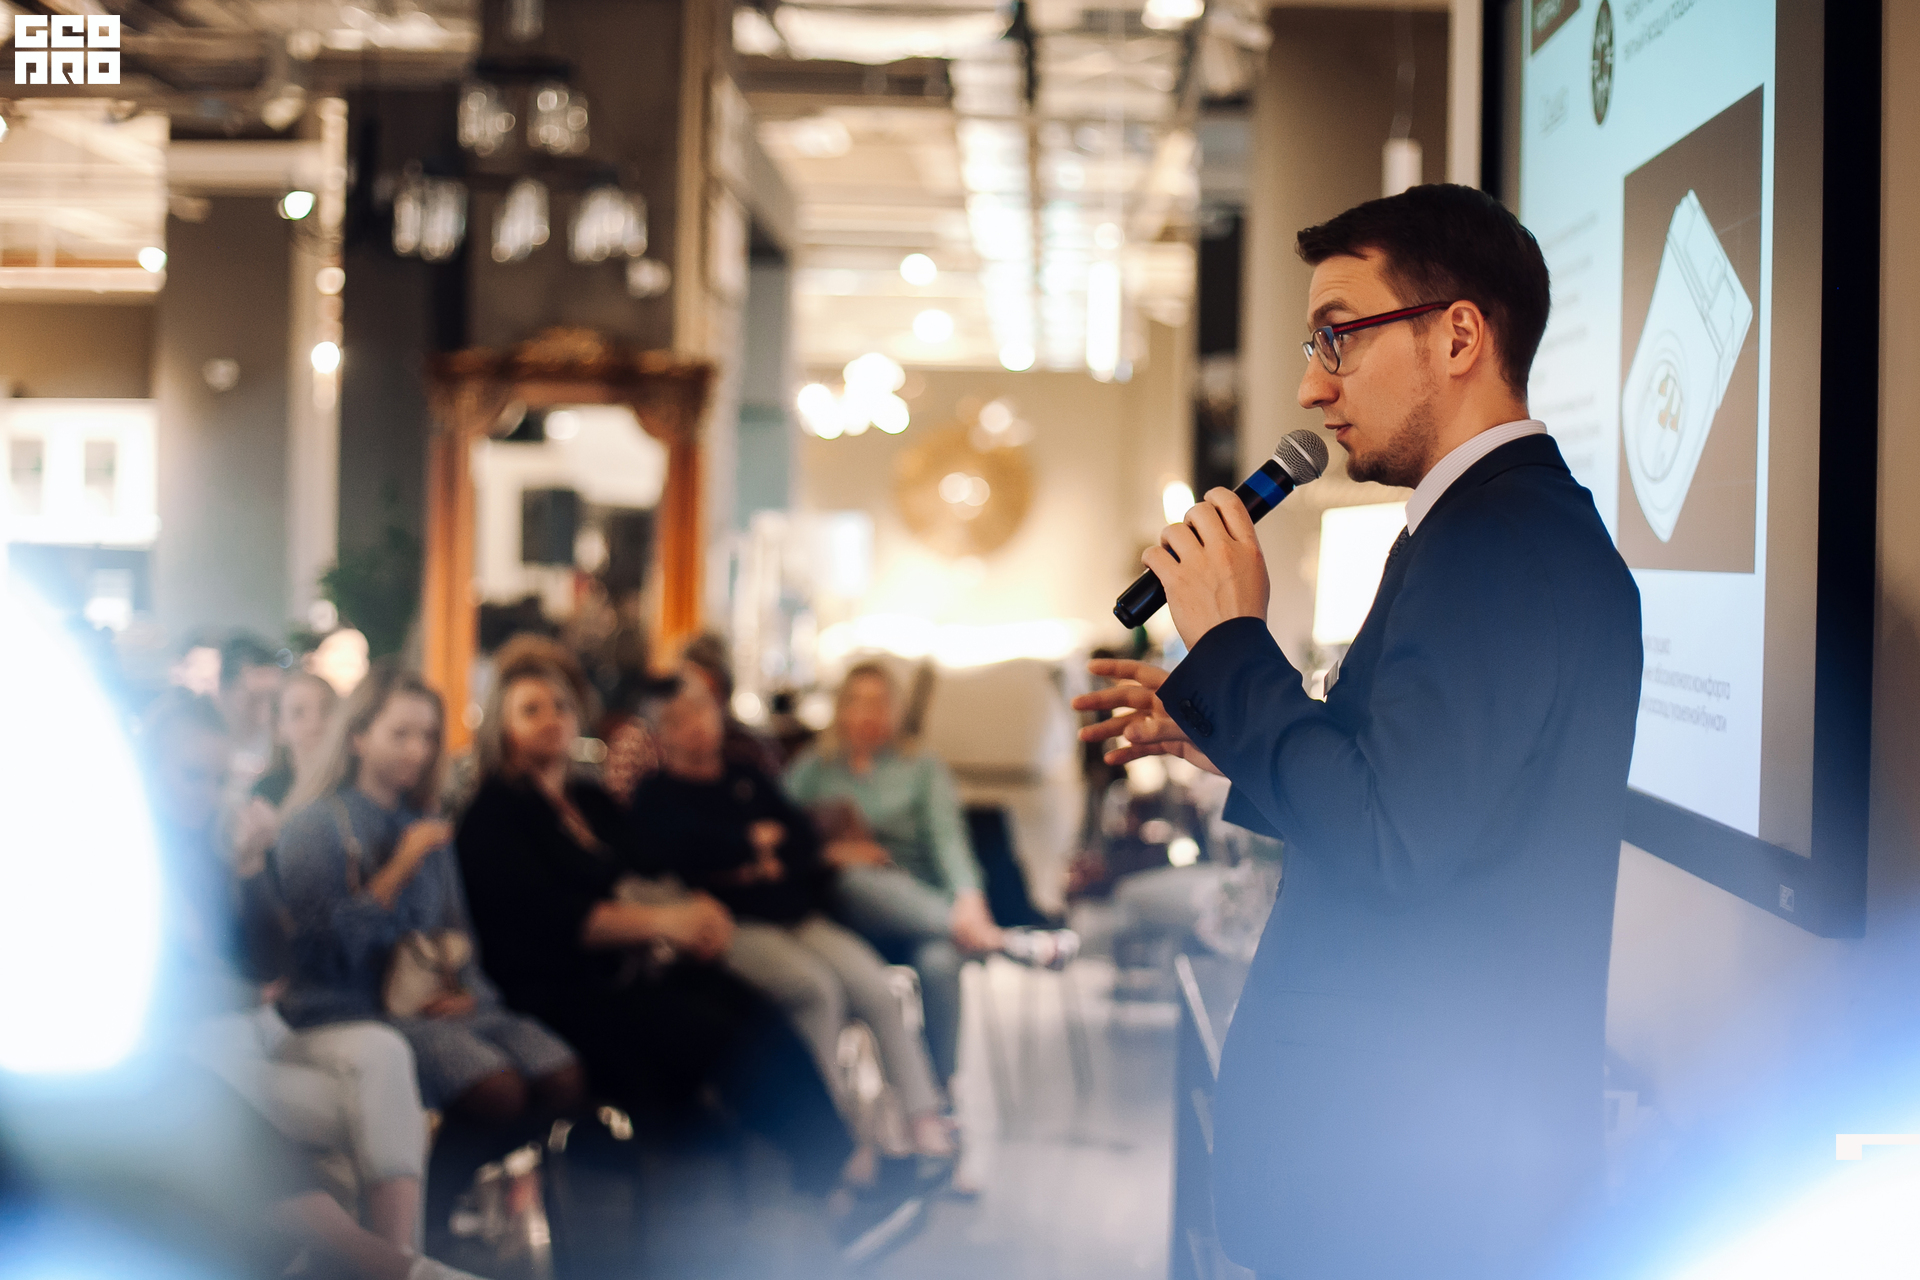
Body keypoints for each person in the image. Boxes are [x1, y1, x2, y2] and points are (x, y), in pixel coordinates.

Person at [1074, 184, 1642, 1280]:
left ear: (1460, 336)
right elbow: (1413, 788)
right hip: (1407, 1166)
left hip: (1412, 1182)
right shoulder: (1483, 529)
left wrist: (1234, 642)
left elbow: (1391, 834)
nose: (1311, 384)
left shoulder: (1498, 543)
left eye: (1339, 335)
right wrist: (1228, 733)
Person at [453, 640, 854, 1196]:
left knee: (755, 1009)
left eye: (560, 706)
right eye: (531, 710)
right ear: (502, 726)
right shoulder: (495, 815)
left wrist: (696, 913)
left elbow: (652, 864)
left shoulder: (589, 801)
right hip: (561, 991)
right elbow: (554, 920)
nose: (551, 720)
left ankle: (833, 1167)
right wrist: (666, 924)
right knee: (708, 1036)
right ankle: (819, 1179)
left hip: (636, 969)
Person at [139, 691, 481, 1280]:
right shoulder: (125, 855)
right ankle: (393, 1267)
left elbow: (273, 963)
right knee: (360, 1116)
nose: (208, 793)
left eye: (220, 779)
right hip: (192, 1050)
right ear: (149, 767)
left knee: (384, 1052)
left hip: (266, 1028)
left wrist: (251, 870)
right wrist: (229, 982)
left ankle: (395, 1256)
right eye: (193, 775)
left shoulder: (220, 839)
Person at [635, 674, 953, 1160]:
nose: (696, 725)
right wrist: (749, 847)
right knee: (814, 991)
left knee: (875, 988)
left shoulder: (746, 776)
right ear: (662, 733)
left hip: (796, 914)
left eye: (701, 710)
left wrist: (750, 857)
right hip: (733, 924)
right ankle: (835, 1144)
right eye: (679, 720)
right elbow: (682, 856)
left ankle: (922, 1117)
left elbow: (800, 838)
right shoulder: (658, 796)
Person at [274, 661, 586, 1143]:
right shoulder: (314, 825)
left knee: (562, 1075)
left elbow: (456, 929)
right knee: (498, 1089)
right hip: (352, 1007)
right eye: (400, 734)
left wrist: (468, 993)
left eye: (427, 736)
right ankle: (449, 1186)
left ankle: (510, 1179)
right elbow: (324, 954)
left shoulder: (424, 819)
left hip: (430, 1000)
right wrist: (400, 865)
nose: (417, 751)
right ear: (358, 737)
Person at [784, 661, 1077, 1089]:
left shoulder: (920, 767)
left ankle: (940, 1094)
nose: (868, 713)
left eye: (879, 703)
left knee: (941, 962)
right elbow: (780, 836)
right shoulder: (814, 769)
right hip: (846, 911)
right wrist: (833, 852)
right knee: (853, 881)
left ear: (896, 710)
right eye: (858, 702)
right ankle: (1002, 942)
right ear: (841, 708)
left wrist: (970, 898)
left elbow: (948, 843)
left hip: (917, 904)